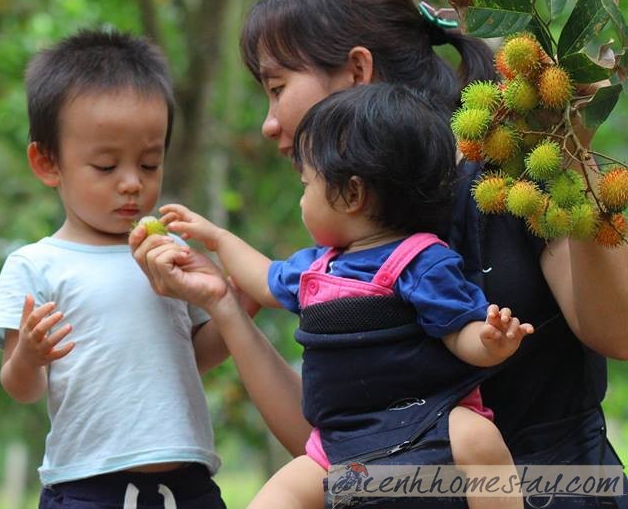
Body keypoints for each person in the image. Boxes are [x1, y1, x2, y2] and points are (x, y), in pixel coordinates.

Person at [131, 0, 628, 507]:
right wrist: (224, 305)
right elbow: (345, 447)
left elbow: (618, 332)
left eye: (277, 88)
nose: (269, 123)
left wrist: (575, 163)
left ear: (357, 72)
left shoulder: (519, 174)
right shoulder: (350, 242)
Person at [157, 84, 531, 508]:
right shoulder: (315, 268)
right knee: (276, 497)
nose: (301, 201)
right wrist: (219, 239)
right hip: (337, 446)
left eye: (305, 185)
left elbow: (457, 331)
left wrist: (489, 342)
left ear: (351, 194)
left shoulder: (420, 260)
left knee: (480, 440)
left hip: (431, 423)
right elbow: (262, 280)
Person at [0, 29, 227, 508]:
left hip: (188, 484)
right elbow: (21, 387)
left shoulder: (168, 250)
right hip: (88, 485)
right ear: (48, 163)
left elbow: (195, 356)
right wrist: (30, 356)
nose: (132, 183)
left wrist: (240, 297)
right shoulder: (36, 265)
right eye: (105, 166)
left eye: (150, 164)